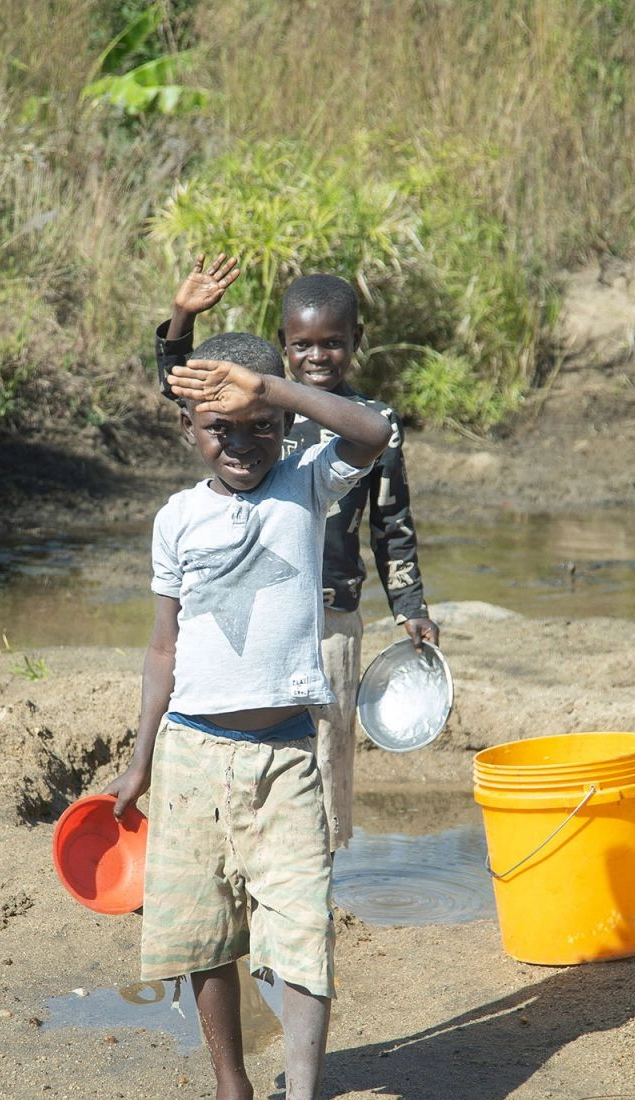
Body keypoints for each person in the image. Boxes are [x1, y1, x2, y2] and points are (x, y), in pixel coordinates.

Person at [102, 329, 392, 1100]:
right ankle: (233, 1087)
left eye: (255, 426)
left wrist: (270, 391)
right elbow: (164, 649)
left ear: (276, 422)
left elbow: (372, 432)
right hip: (192, 754)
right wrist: (140, 756)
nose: (239, 445)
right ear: (192, 428)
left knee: (302, 930)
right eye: (217, 428)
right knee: (205, 931)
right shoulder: (177, 517)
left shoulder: (306, 483)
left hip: (286, 757)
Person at [156, 256, 438, 851]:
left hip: (330, 615)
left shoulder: (368, 423)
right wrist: (181, 318)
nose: (318, 357)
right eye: (303, 345)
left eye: (333, 344)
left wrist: (410, 604)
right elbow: (189, 393)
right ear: (283, 348)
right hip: (256, 614)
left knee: (327, 749)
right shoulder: (263, 414)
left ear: (356, 343)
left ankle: (317, 872)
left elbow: (393, 520)